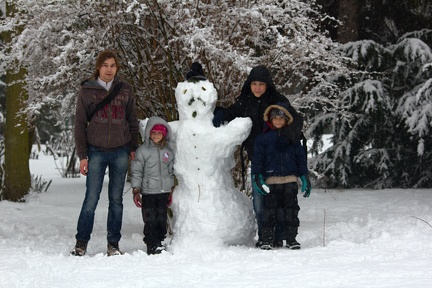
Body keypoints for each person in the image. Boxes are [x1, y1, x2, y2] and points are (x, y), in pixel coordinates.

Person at [212, 65, 303, 248]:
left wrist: (285, 138)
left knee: (283, 201)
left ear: (267, 85)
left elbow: (296, 121)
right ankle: (265, 237)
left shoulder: (277, 100)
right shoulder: (245, 101)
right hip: (259, 161)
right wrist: (216, 114)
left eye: (261, 84)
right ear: (249, 84)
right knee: (261, 201)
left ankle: (280, 236)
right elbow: (230, 113)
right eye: (254, 83)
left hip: (280, 161)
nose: (258, 88)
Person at [71, 49, 139, 256]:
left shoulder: (125, 90)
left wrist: (133, 147)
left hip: (120, 150)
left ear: (117, 68)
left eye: (113, 66)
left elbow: (133, 121)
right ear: (98, 67)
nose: (109, 70)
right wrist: (83, 156)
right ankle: (81, 243)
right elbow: (79, 125)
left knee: (116, 200)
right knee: (91, 199)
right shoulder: (87, 91)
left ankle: (113, 245)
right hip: (96, 151)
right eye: (105, 65)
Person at [251, 102, 311, 250]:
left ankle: (291, 239)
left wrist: (304, 176)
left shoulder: (293, 137)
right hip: (270, 181)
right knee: (269, 212)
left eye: (281, 118)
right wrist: (257, 176)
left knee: (291, 211)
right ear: (270, 119)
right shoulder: (263, 138)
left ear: (286, 119)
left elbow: (300, 159)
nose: (278, 120)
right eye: (275, 118)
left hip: (290, 181)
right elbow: (257, 159)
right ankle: (267, 239)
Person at [130, 117, 175, 255]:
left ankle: (160, 242)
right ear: (148, 133)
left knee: (161, 218)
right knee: (150, 219)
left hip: (163, 191)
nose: (156, 136)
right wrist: (136, 190)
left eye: (159, 133)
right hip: (148, 192)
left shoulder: (168, 152)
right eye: (153, 133)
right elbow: (136, 171)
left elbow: (172, 171)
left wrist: (171, 189)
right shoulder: (142, 151)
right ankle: (151, 244)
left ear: (164, 135)